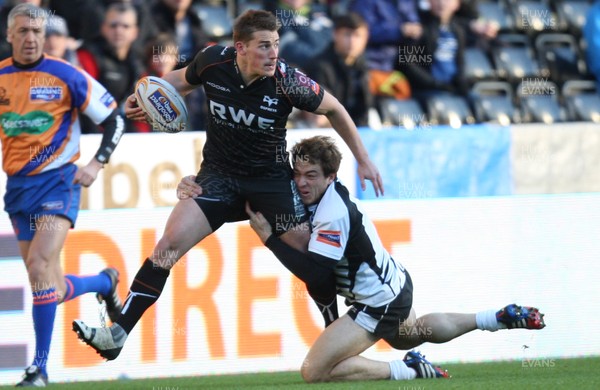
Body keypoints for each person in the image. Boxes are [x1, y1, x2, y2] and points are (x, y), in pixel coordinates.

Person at [72, 9, 383, 361]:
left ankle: (334, 338)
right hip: (218, 177)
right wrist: (143, 94)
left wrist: (364, 160)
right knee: (167, 246)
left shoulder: (287, 80)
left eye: (276, 45)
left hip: (269, 183)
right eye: (264, 46)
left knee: (312, 260)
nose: (273, 54)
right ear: (240, 48)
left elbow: (336, 109)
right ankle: (117, 334)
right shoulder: (211, 61)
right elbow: (177, 80)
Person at [235, 135, 544, 382]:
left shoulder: (332, 213)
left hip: (379, 300)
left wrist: (270, 241)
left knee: (314, 371)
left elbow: (318, 277)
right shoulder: (320, 196)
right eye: (298, 174)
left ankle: (407, 371)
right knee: (409, 335)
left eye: (311, 176)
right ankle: (495, 318)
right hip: (394, 285)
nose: (302, 183)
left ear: (330, 176)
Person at [0, 3, 125, 386]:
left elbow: (114, 119)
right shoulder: (1, 77)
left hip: (59, 184)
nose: (31, 38)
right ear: (10, 36)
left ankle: (39, 368)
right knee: (47, 287)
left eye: (37, 31)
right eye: (22, 31)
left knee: (38, 266)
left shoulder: (66, 75)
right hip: (18, 189)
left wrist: (97, 163)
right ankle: (104, 283)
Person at [76, 2, 144, 133]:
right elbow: (85, 104)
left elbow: (143, 111)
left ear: (135, 32)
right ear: (103, 28)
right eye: (113, 25)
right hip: (93, 136)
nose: (119, 30)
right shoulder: (87, 55)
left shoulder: (138, 62)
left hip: (129, 137)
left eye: (125, 26)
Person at [399, 0, 469, 111]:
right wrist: (434, 83)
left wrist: (461, 82)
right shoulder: (419, 28)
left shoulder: (458, 31)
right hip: (427, 91)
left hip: (452, 89)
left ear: (457, 4)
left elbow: (460, 61)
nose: (442, 3)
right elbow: (406, 61)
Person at [306, 12, 373, 128]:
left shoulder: (364, 65)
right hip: (331, 129)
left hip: (362, 129)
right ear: (335, 34)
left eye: (357, 35)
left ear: (366, 38)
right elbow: (322, 112)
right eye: (347, 35)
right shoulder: (320, 65)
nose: (352, 41)